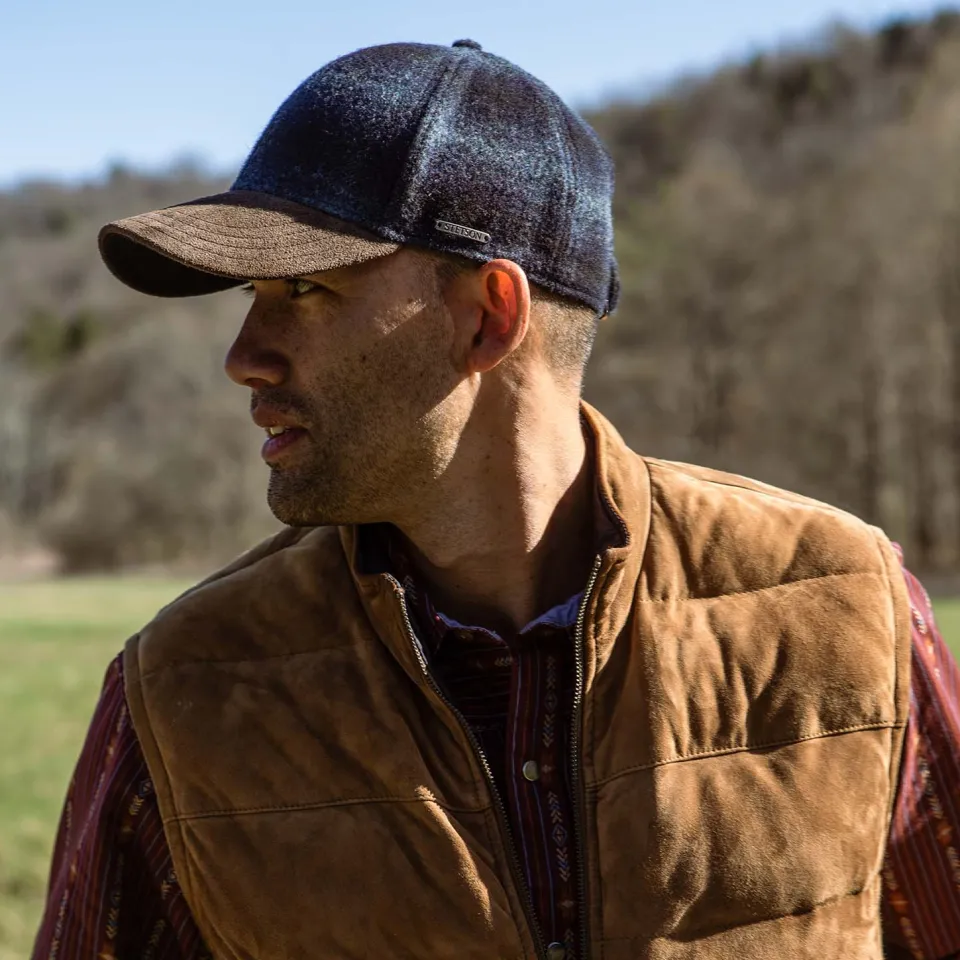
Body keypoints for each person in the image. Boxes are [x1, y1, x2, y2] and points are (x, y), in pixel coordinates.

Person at [31, 39, 960, 960]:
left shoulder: (845, 611)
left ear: (490, 314)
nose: (244, 355)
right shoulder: (184, 694)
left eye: (304, 289)